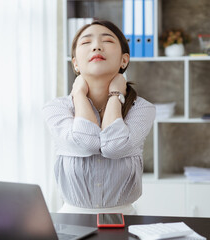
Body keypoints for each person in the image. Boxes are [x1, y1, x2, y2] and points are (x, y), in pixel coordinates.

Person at [42, 20, 156, 215]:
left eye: (108, 41)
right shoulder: (57, 108)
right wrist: (78, 94)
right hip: (71, 220)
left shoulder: (142, 109)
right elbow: (86, 143)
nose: (96, 46)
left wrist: (115, 96)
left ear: (124, 60)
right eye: (86, 43)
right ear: (75, 63)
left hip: (124, 220)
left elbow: (114, 147)